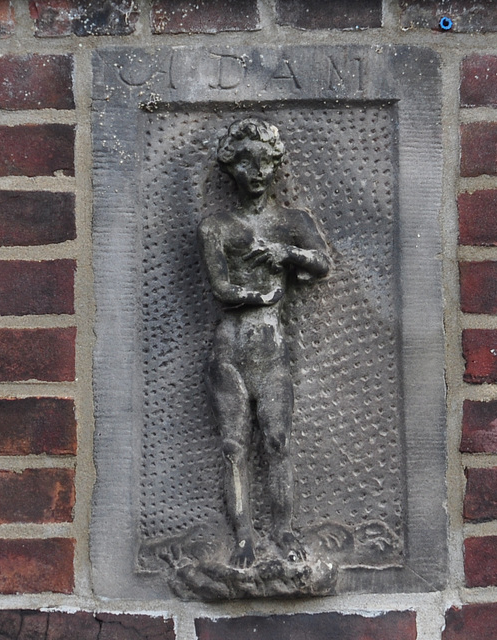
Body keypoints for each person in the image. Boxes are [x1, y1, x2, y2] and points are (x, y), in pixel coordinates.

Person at [198, 118, 330, 568]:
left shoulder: (291, 221)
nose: (255, 171)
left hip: (270, 351)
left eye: (264, 161)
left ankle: (285, 531)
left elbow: (320, 264)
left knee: (277, 442)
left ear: (275, 167)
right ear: (231, 166)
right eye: (245, 161)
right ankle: (242, 538)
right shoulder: (215, 226)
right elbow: (221, 288)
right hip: (229, 350)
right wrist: (262, 294)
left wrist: (286, 254)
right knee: (235, 448)